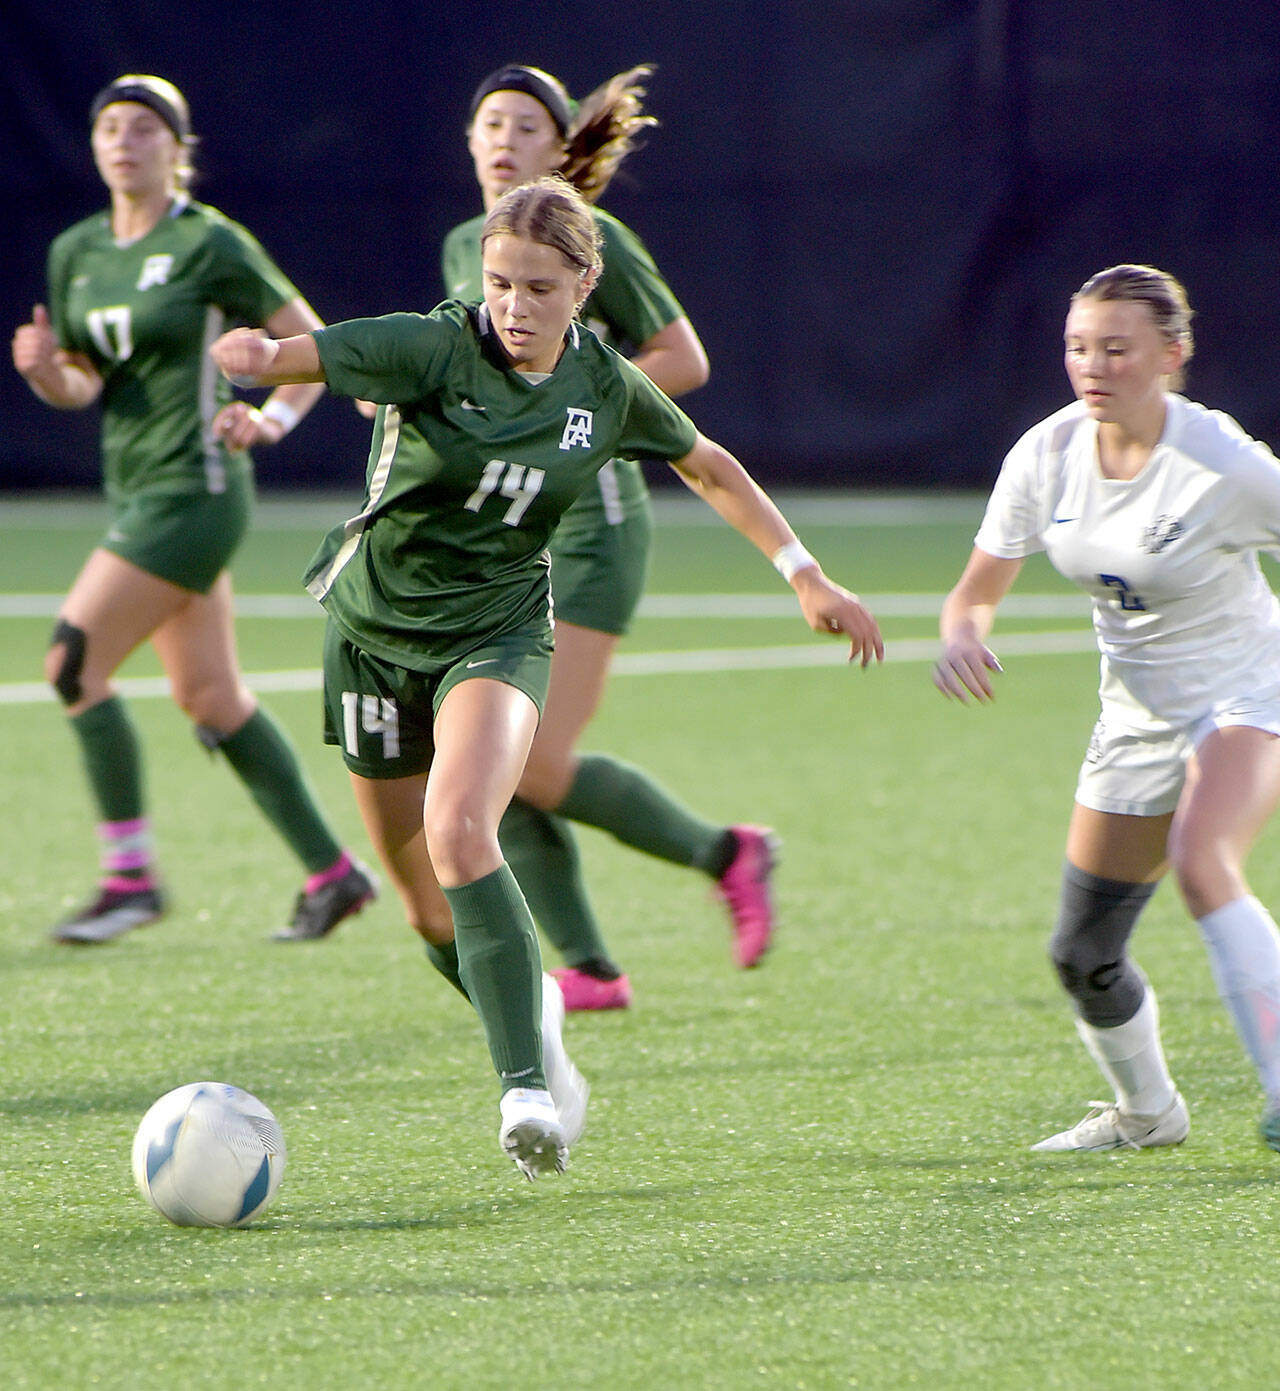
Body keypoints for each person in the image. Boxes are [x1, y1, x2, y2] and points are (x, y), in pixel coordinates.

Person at [210, 175, 882, 1178]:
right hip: (370, 637)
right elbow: (303, 352)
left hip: (499, 632)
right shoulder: (433, 346)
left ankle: (523, 1086)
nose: (514, 306)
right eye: (499, 283)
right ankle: (544, 1032)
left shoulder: (603, 386)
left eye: (537, 287)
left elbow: (707, 463)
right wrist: (260, 360)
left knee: (460, 829)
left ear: (582, 287)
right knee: (426, 909)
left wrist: (804, 572)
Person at [10, 75, 376, 945]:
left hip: (197, 488)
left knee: (71, 662)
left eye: (144, 128)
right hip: (138, 486)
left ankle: (129, 878)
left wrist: (269, 419)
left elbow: (313, 346)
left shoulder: (209, 242)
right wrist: (46, 374)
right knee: (211, 697)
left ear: (178, 148)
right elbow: (83, 381)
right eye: (109, 127)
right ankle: (333, 874)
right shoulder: (77, 251)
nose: (123, 142)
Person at [443, 64, 775, 1011]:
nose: (504, 140)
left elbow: (683, 358)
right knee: (490, 768)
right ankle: (590, 969)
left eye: (526, 126)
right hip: (504, 532)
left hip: (593, 523)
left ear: (560, 149)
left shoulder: (597, 240)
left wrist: (575, 402)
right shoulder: (466, 244)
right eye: (490, 123)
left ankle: (728, 852)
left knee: (531, 763)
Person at [935, 263, 1280, 1155]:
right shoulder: (1046, 453)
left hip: (1247, 689)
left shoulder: (1223, 463)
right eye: (1078, 347)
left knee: (1203, 859)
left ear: (1172, 354)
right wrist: (964, 634)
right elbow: (975, 592)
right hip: (1135, 714)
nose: (1093, 366)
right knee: (1083, 953)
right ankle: (1147, 1113)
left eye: (1116, 349)